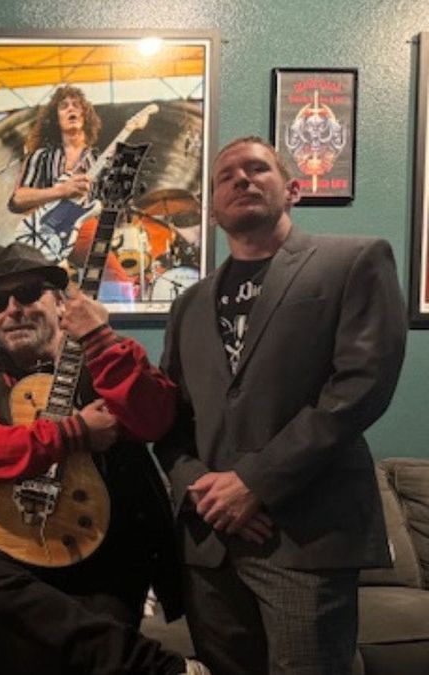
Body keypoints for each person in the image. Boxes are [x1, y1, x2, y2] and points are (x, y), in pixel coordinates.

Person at [155, 136, 407, 675]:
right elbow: (170, 419)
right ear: (212, 210)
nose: (242, 180)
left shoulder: (354, 261)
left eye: (257, 169)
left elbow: (360, 387)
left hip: (305, 539)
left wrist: (254, 483)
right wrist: (202, 489)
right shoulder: (188, 303)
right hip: (211, 544)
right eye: (226, 176)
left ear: (292, 189)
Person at [0, 243, 207, 675]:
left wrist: (100, 340)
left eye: (28, 293)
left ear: (61, 302)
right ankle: (160, 669)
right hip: (19, 551)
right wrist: (74, 432)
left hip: (106, 551)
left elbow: (157, 419)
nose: (12, 309)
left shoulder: (107, 357)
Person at [7, 85, 102, 258]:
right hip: (47, 234)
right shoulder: (42, 156)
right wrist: (61, 191)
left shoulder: (99, 160)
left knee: (114, 273)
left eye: (76, 105)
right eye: (64, 106)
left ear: (85, 115)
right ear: (56, 119)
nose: (71, 109)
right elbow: (18, 200)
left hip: (87, 231)